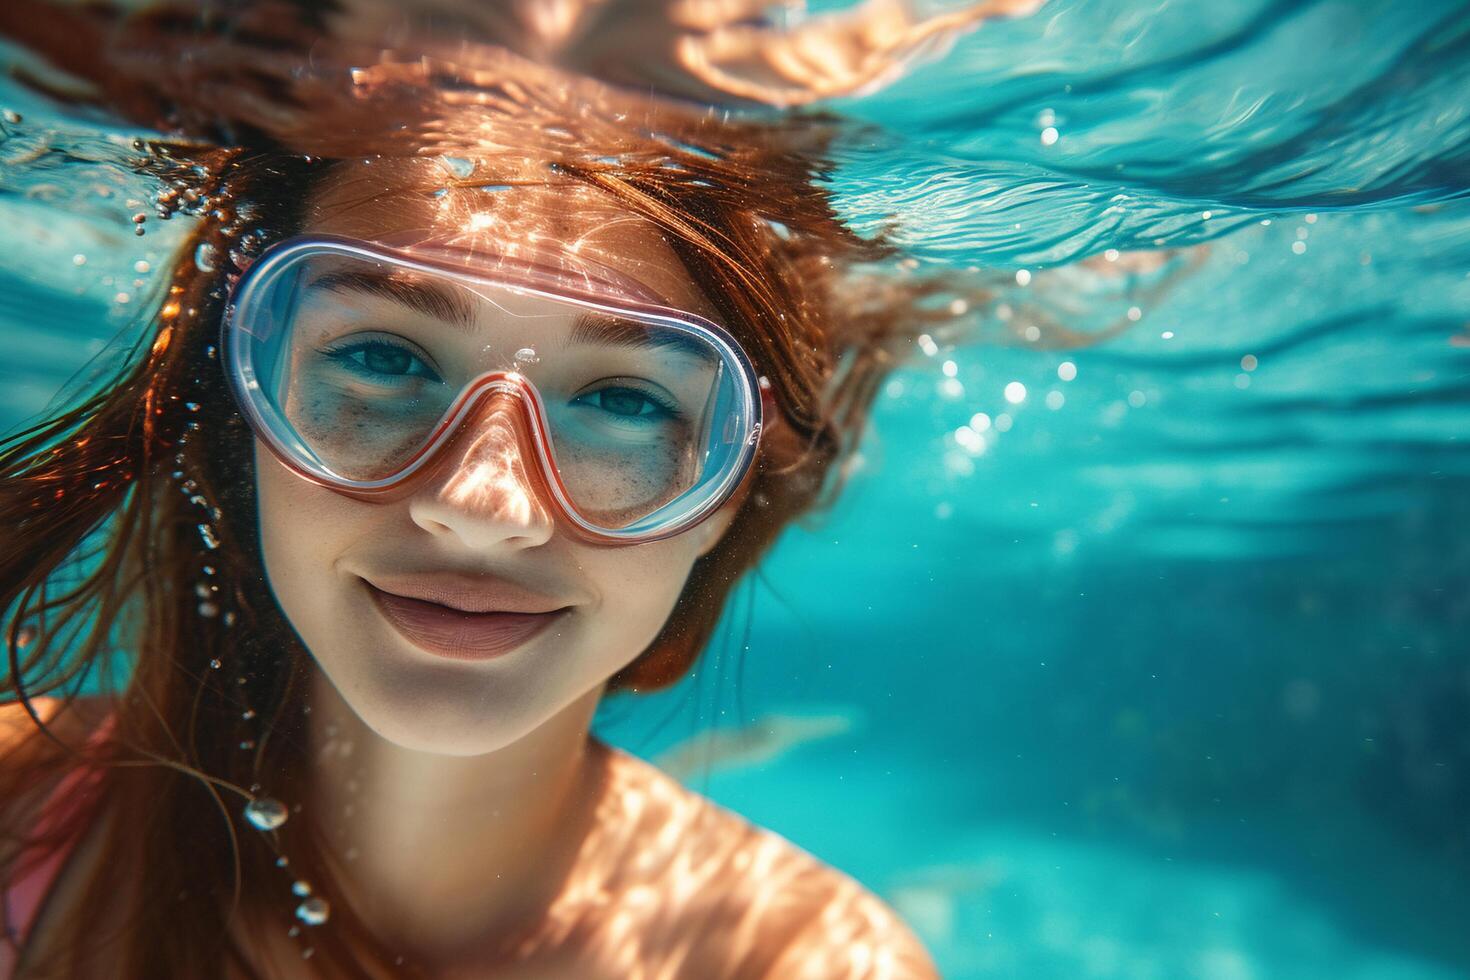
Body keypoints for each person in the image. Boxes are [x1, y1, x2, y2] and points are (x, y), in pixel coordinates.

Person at [0, 6, 963, 978]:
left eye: (625, 401)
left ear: (725, 490)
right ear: (245, 396)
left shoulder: (803, 961)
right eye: (381, 354)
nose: (481, 503)